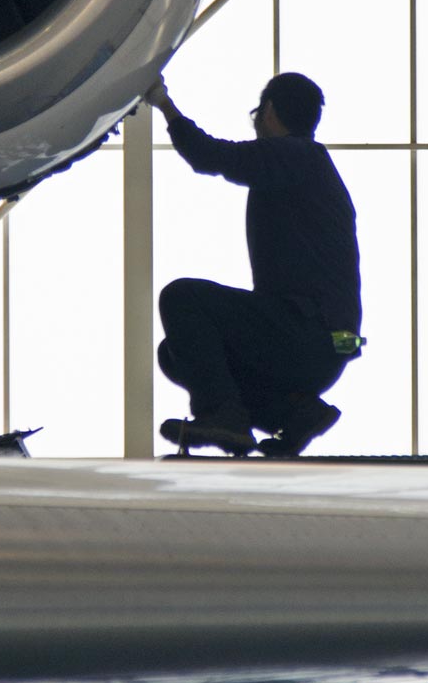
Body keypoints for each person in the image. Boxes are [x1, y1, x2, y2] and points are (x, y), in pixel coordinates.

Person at [143, 72, 362, 457]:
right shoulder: (308, 167)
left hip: (305, 332)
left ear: (270, 110)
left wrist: (163, 103)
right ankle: (293, 415)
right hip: (324, 344)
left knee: (181, 299)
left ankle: (224, 418)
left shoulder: (294, 155)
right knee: (176, 355)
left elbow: (209, 155)